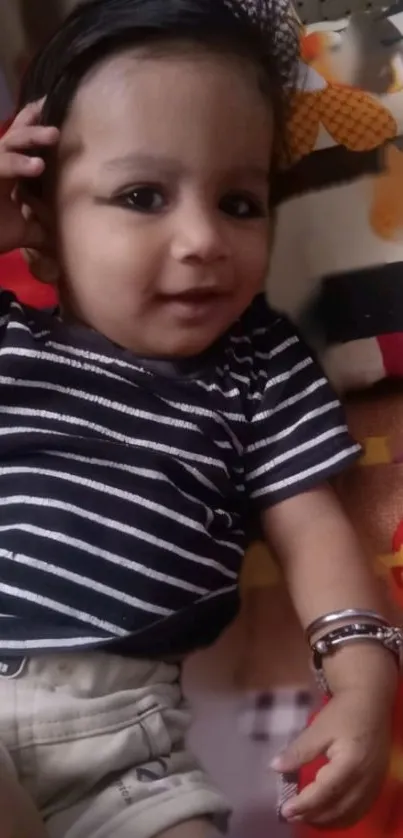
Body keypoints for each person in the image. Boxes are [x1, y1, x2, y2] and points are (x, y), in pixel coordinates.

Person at [0, 1, 399, 836]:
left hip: (129, 745)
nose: (202, 237)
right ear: (39, 222)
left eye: (239, 203)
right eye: (142, 195)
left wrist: (363, 678)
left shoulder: (259, 365)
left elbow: (313, 533)